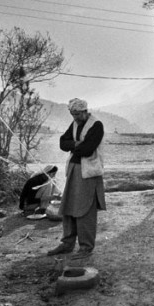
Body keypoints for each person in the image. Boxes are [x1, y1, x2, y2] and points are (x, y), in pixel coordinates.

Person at [47, 98, 105, 260]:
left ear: (85, 111)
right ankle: (67, 243)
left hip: (88, 172)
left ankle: (86, 246)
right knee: (69, 207)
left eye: (78, 114)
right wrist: (77, 144)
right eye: (73, 114)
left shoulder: (96, 125)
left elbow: (87, 150)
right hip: (73, 169)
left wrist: (74, 145)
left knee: (85, 209)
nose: (75, 118)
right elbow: (62, 143)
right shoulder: (74, 124)